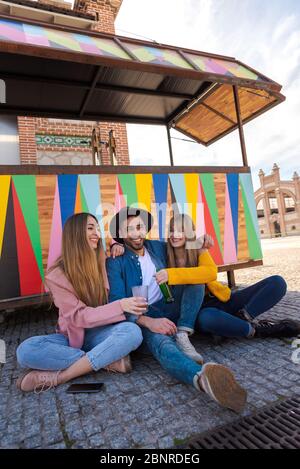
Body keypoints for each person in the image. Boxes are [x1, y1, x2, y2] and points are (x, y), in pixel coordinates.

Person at [107, 207, 247, 413]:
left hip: (169, 304)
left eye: (139, 227)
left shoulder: (156, 247)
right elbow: (117, 302)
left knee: (195, 280)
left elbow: (183, 242)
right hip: (143, 316)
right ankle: (202, 378)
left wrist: (202, 241)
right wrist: (149, 322)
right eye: (129, 229)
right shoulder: (115, 261)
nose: (136, 234)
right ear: (121, 234)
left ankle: (183, 333)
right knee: (161, 343)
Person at [16, 213, 145, 393]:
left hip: (102, 333)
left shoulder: (103, 260)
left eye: (98, 228)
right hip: (71, 338)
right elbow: (78, 316)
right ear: (75, 233)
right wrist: (120, 305)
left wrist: (116, 244)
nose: (97, 233)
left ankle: (62, 376)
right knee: (25, 351)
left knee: (132, 332)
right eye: (90, 228)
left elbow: (113, 244)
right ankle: (107, 360)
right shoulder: (56, 275)